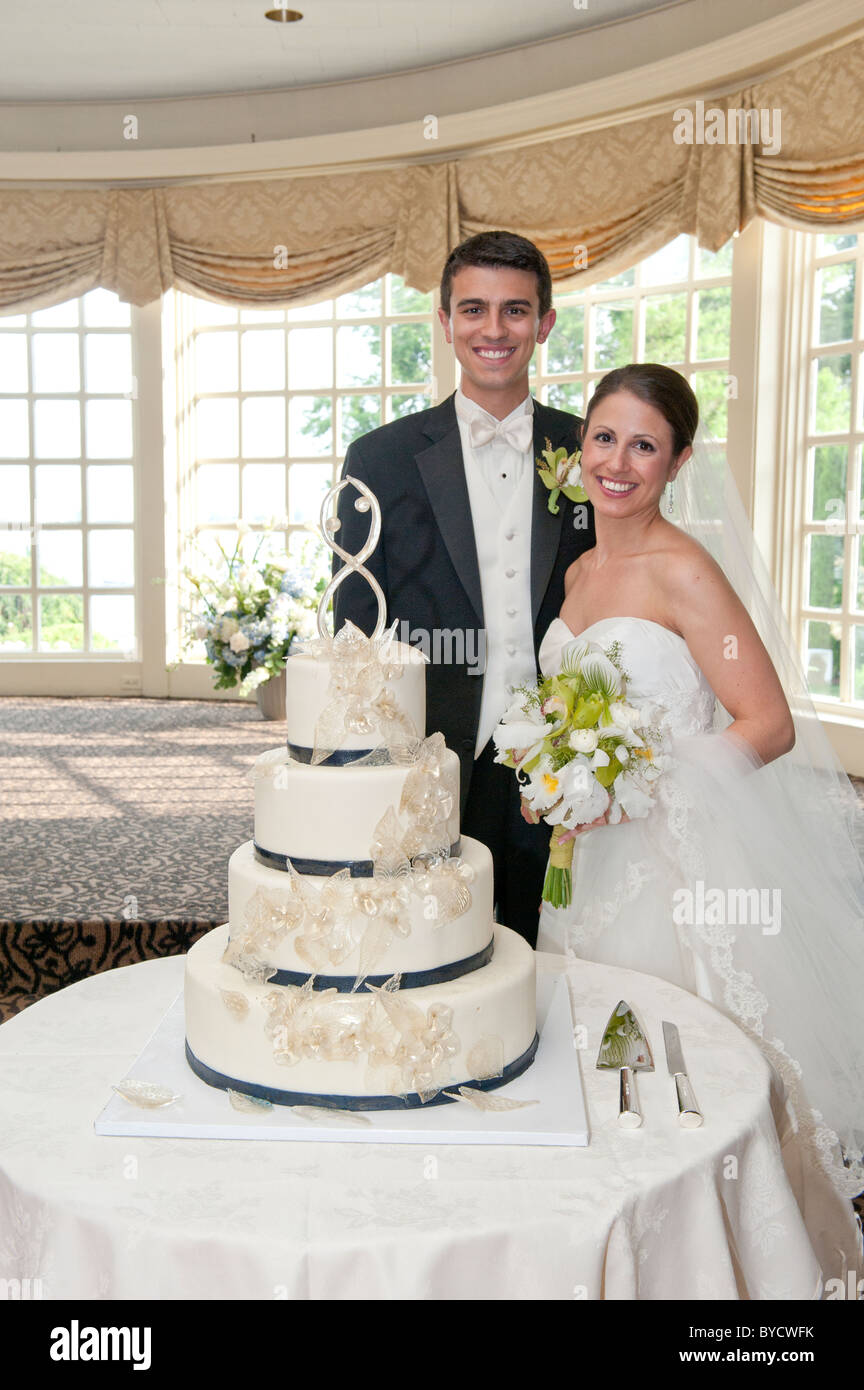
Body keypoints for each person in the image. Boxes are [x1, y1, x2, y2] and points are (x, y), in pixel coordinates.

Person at [532, 362, 864, 1216]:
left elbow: (767, 722)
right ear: (580, 449)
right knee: (598, 1068)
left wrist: (638, 785)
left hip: (672, 869)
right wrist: (552, 775)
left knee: (675, 1076)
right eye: (604, 437)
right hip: (583, 863)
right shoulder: (576, 577)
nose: (618, 461)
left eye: (645, 445)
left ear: (677, 464)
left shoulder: (685, 571)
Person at [332, 231, 594, 946]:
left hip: (566, 761)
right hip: (433, 758)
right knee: (438, 948)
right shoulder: (380, 458)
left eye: (516, 310)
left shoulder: (589, 452)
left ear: (543, 324)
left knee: (551, 952)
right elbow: (355, 631)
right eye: (473, 309)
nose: (494, 329)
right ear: (446, 324)